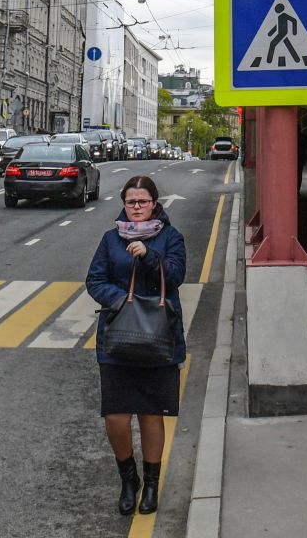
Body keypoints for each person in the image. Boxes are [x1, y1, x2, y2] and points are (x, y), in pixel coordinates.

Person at [85, 175, 186, 517]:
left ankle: (152, 484)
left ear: (156, 203)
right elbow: (94, 279)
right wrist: (121, 301)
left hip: (158, 338)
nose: (137, 208)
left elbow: (175, 277)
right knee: (114, 415)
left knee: (150, 413)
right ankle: (129, 479)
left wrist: (148, 256)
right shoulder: (111, 239)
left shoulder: (171, 238)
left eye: (143, 202)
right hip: (118, 337)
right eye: (131, 202)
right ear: (124, 205)